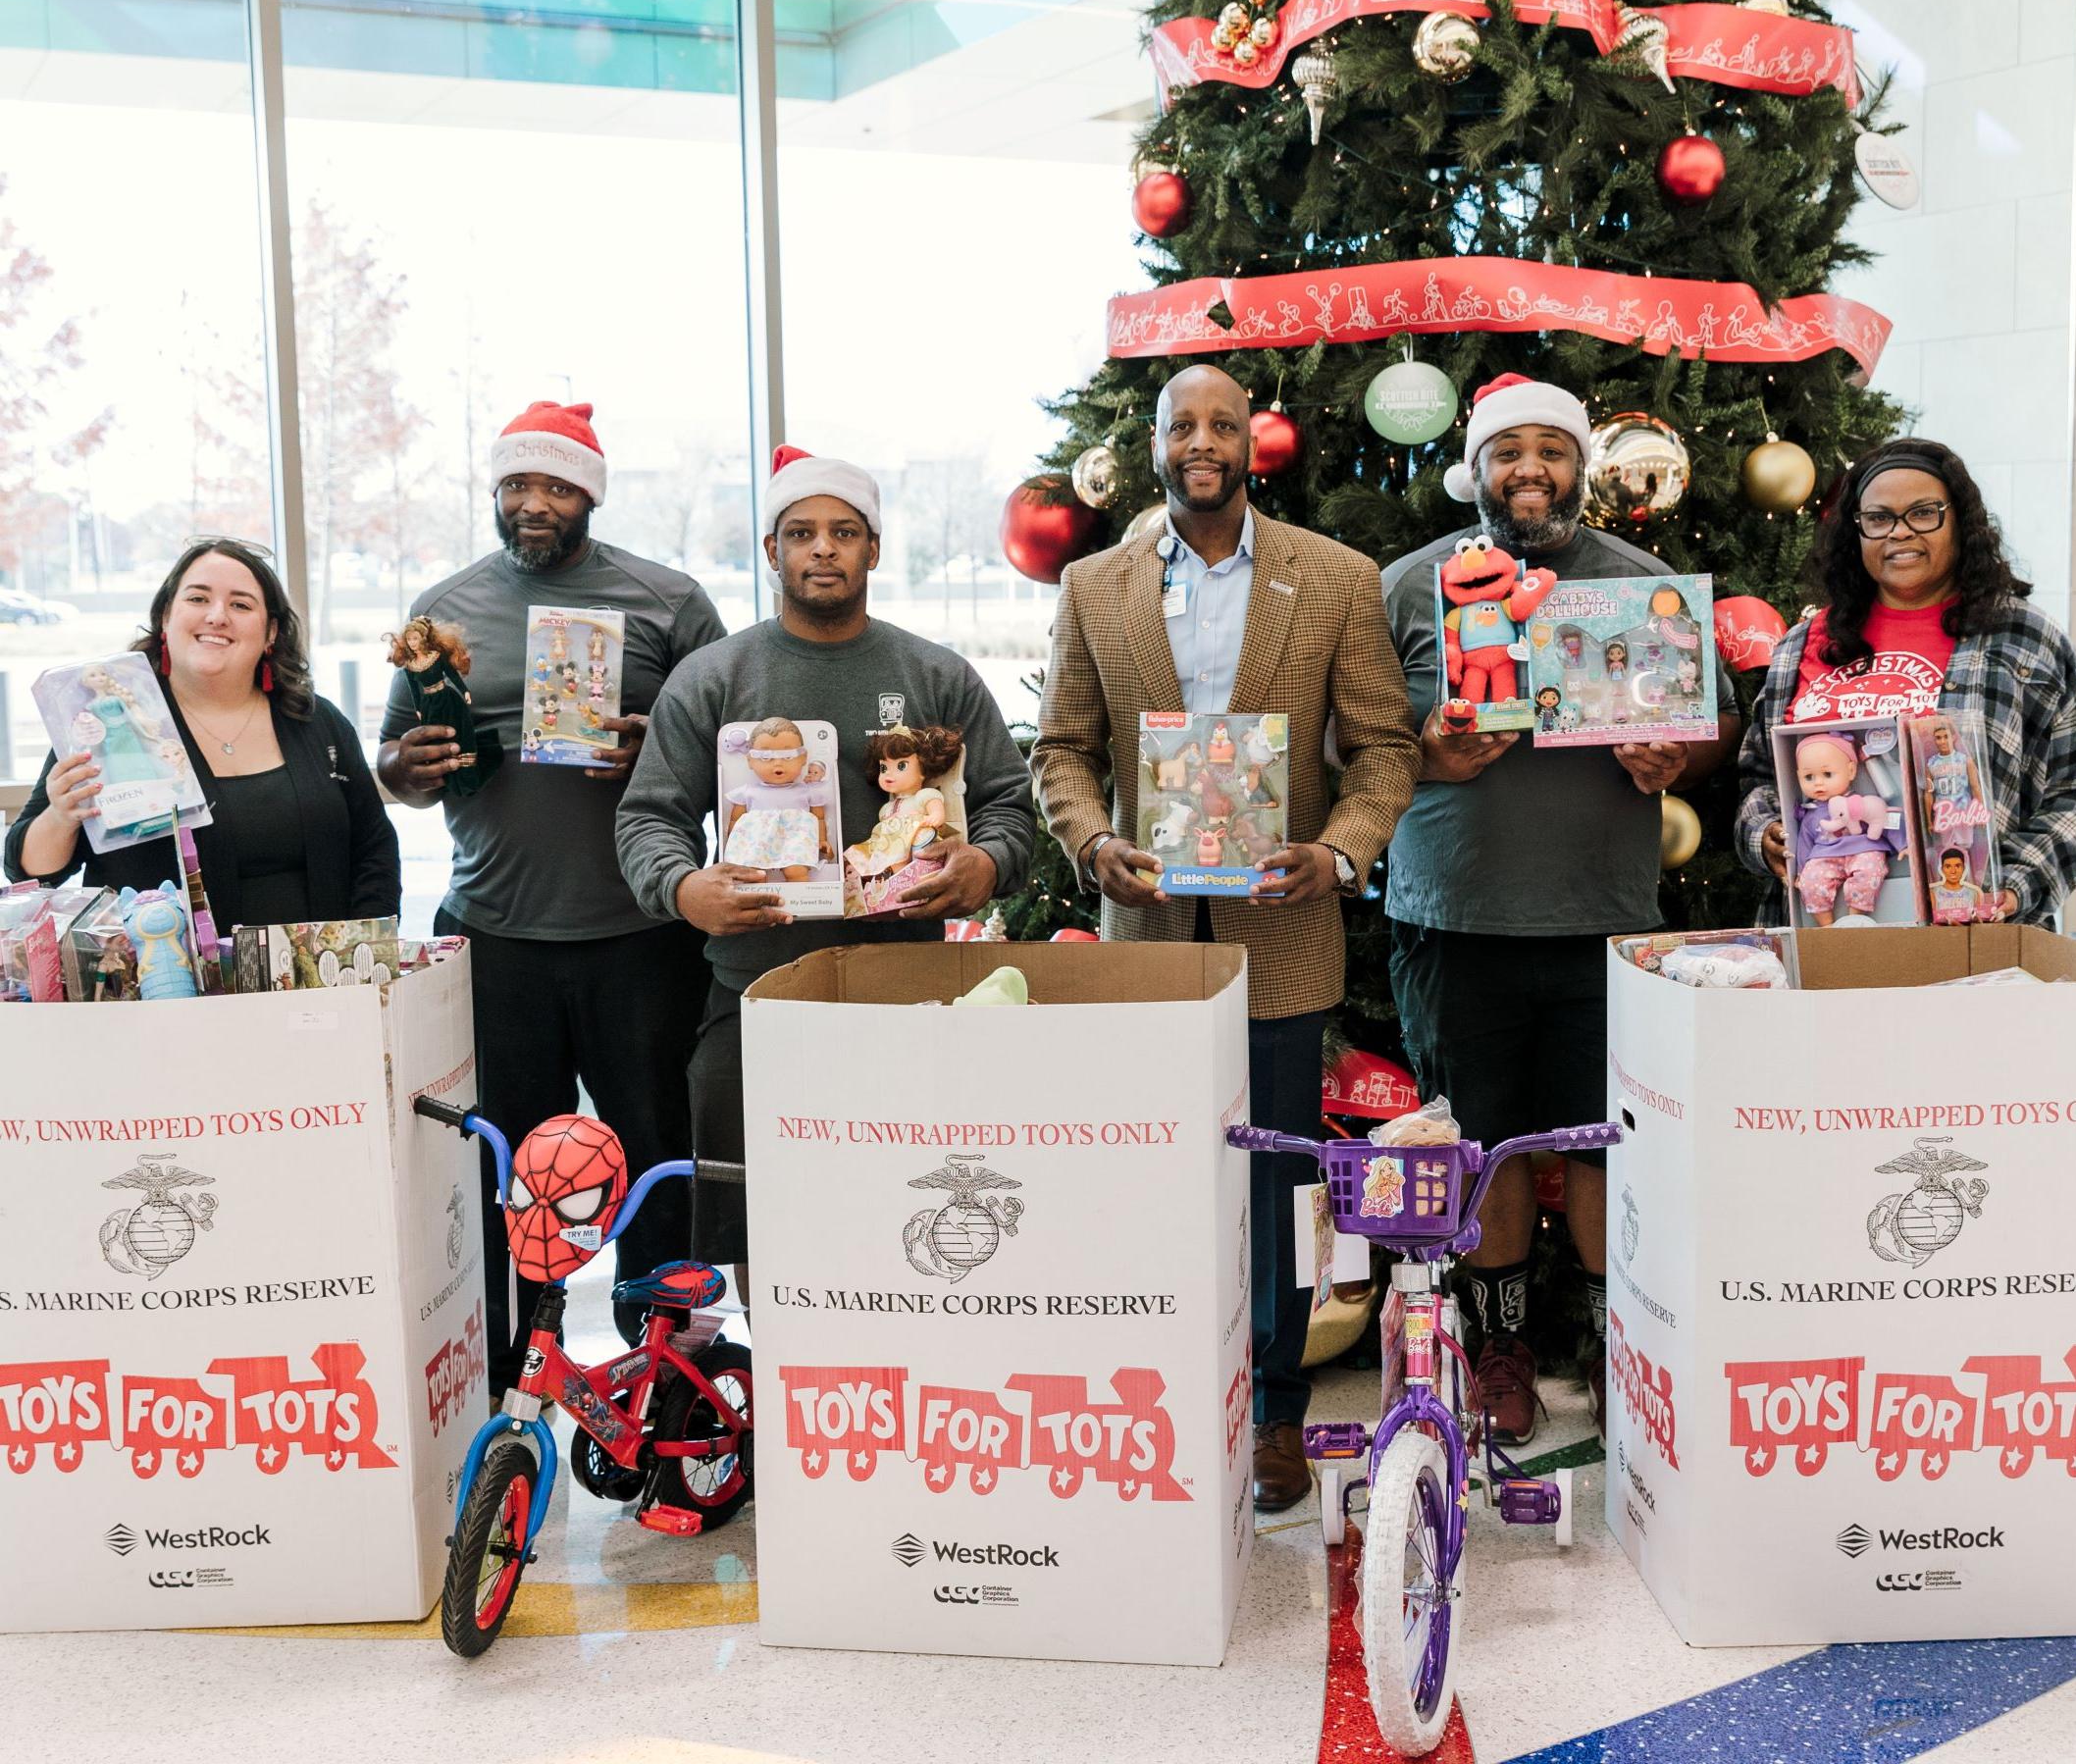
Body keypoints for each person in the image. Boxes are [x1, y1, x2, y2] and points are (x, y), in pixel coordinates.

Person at [1031, 363, 1419, 1513]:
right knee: (1155, 1172)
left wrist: (1341, 852)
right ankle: (1161, 1389)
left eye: (1223, 424)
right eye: (1180, 423)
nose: (1202, 441)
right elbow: (1062, 746)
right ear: (1151, 442)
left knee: (1283, 1178)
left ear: (1255, 443)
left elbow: (1386, 747)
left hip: (1282, 928)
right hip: (1150, 930)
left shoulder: (1334, 579)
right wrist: (1095, 842)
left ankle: (1279, 1410)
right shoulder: (1095, 585)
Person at [1381, 375, 1741, 1442]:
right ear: (1476, 468)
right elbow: (1342, 746)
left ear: (1580, 464)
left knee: (1600, 1142)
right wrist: (1423, 755)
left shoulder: (1646, 589)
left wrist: (1677, 749)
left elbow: (1713, 723)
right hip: (1453, 914)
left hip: (1604, 916)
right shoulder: (1413, 587)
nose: (1528, 468)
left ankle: (1602, 1331)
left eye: (1549, 447)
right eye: (1506, 451)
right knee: (1479, 1141)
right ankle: (1499, 1346)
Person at [616, 446, 1037, 1297]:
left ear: (873, 551)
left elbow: (1008, 804)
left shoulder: (934, 675)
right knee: (763, 1231)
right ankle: (782, 1386)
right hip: (756, 993)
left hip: (910, 991)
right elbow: (648, 817)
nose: (822, 549)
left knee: (908, 1213)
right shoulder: (714, 679)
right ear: (770, 550)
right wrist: (683, 887)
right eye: (800, 532)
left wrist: (985, 864)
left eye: (844, 532)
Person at [377, 399, 725, 1387]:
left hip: (641, 933)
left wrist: (658, 740)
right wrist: (407, 765)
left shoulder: (668, 600)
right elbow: (392, 767)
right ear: (495, 492)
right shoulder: (445, 610)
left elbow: (737, 754)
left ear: (590, 494)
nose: (535, 502)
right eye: (516, 484)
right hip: (494, 937)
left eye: (556, 484)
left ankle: (668, 1362)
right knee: (507, 1167)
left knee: (655, 1153)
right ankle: (513, 1353)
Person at [1737, 437, 2076, 924]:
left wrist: (2015, 883)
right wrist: (1767, 834)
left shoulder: (2025, 640)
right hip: (1821, 944)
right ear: (1855, 531)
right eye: (1879, 518)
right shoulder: (1804, 643)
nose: (1899, 533)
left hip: (1973, 948)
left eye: (1923, 513)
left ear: (1960, 522)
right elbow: (1759, 775)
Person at [6, 537, 399, 924]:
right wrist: (62, 816)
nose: (217, 616)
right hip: (166, 980)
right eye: (197, 599)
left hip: (324, 978)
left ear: (271, 633)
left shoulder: (317, 722)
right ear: (165, 617)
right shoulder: (108, 722)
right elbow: (30, 872)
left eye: (240, 604)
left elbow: (375, 848)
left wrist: (364, 953)